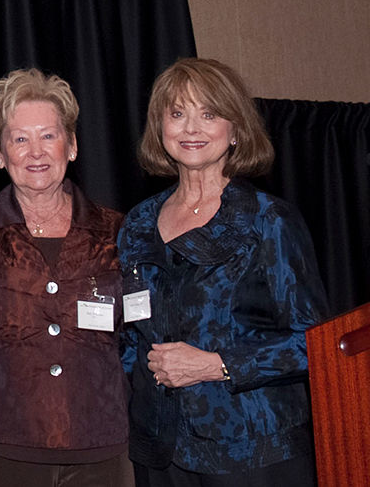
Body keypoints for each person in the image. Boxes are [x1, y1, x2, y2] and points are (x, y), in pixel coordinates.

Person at [118, 57, 327, 486]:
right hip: (160, 449)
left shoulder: (269, 221)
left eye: (208, 114)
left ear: (235, 129)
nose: (191, 128)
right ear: (160, 128)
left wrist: (217, 364)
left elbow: (314, 344)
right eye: (177, 114)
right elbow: (130, 333)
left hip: (252, 451)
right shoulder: (136, 223)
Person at [0, 69, 134, 486]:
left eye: (49, 136)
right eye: (19, 139)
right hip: (6, 448)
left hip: (102, 447)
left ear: (72, 146)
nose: (35, 151)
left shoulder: (118, 231)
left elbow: (140, 334)